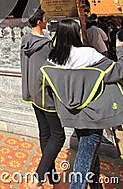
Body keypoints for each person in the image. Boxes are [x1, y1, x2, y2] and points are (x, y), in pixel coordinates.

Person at [40, 19, 123, 189]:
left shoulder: (54, 59)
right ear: (77, 33)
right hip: (94, 113)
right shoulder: (89, 54)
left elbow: (47, 84)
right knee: (85, 155)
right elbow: (116, 72)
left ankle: (95, 185)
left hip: (72, 114)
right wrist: (120, 49)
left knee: (89, 149)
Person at [21, 9, 65, 188]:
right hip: (46, 95)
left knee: (45, 133)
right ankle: (39, 176)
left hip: (32, 92)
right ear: (39, 22)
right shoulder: (46, 44)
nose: (46, 21)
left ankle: (52, 175)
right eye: (45, 19)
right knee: (58, 135)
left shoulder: (25, 41)